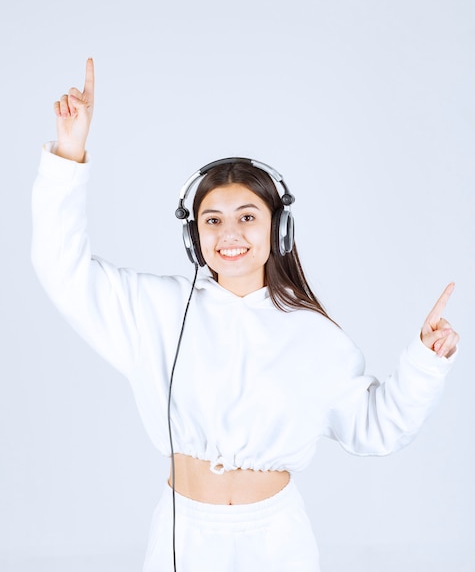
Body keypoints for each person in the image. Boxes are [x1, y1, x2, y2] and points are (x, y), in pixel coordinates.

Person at [31, 58, 459, 572]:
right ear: (195, 237)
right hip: (183, 532)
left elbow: (376, 428)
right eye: (212, 220)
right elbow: (61, 268)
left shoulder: (313, 335)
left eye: (247, 217)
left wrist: (425, 361)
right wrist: (69, 153)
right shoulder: (154, 310)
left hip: (276, 538)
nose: (228, 234)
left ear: (279, 231)